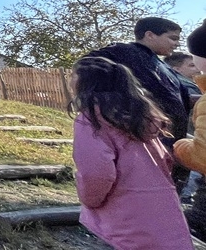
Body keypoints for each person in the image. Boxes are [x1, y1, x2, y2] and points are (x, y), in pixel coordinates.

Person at [72, 56, 193, 249]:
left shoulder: (93, 120)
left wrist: (90, 200)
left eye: (73, 75)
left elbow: (96, 171)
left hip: (121, 217)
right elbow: (165, 160)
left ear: (85, 82)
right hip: (162, 211)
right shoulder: (142, 118)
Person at [85, 18, 190, 170]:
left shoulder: (164, 66)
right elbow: (85, 66)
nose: (177, 44)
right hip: (146, 143)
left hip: (172, 145)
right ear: (150, 35)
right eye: (172, 38)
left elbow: (179, 100)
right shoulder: (124, 51)